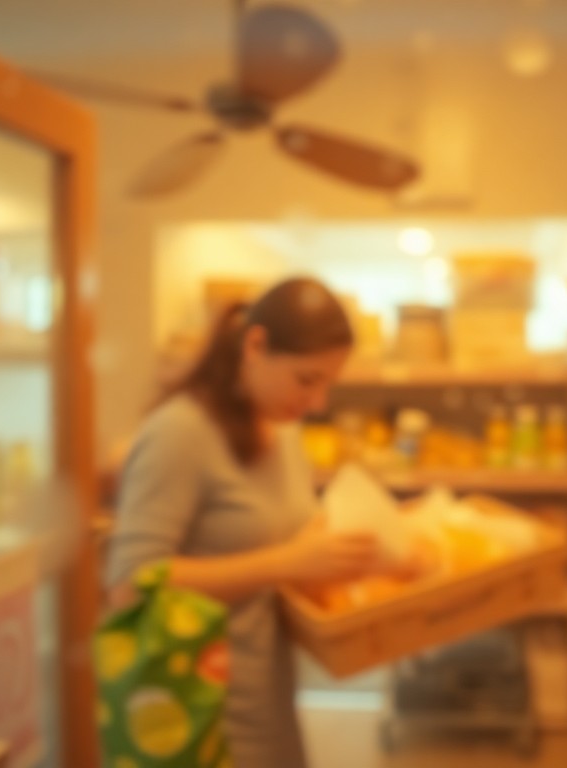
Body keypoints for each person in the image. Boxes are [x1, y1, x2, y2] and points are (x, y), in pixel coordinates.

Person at [105, 277, 380, 768]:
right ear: (256, 345)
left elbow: (291, 544)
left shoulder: (282, 429)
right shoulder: (180, 432)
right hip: (196, 714)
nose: (317, 402)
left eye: (328, 384)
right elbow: (131, 584)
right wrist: (287, 562)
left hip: (268, 701)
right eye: (306, 379)